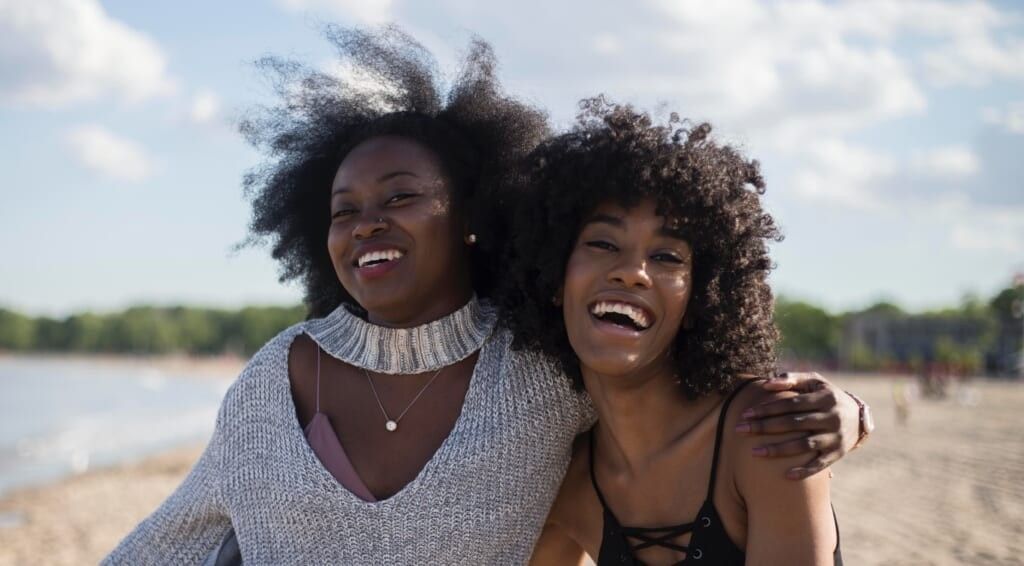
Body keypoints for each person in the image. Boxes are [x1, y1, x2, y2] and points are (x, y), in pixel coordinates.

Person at [105, 29, 865, 565]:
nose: (368, 223)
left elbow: (673, 389)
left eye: (400, 196)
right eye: (344, 210)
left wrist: (849, 411)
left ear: (472, 217)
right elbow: (168, 543)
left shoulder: (540, 367)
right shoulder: (271, 383)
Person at [501, 99, 847, 564]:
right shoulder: (570, 483)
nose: (632, 272)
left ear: (698, 300)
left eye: (666, 257)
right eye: (603, 243)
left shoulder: (767, 432)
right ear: (554, 279)